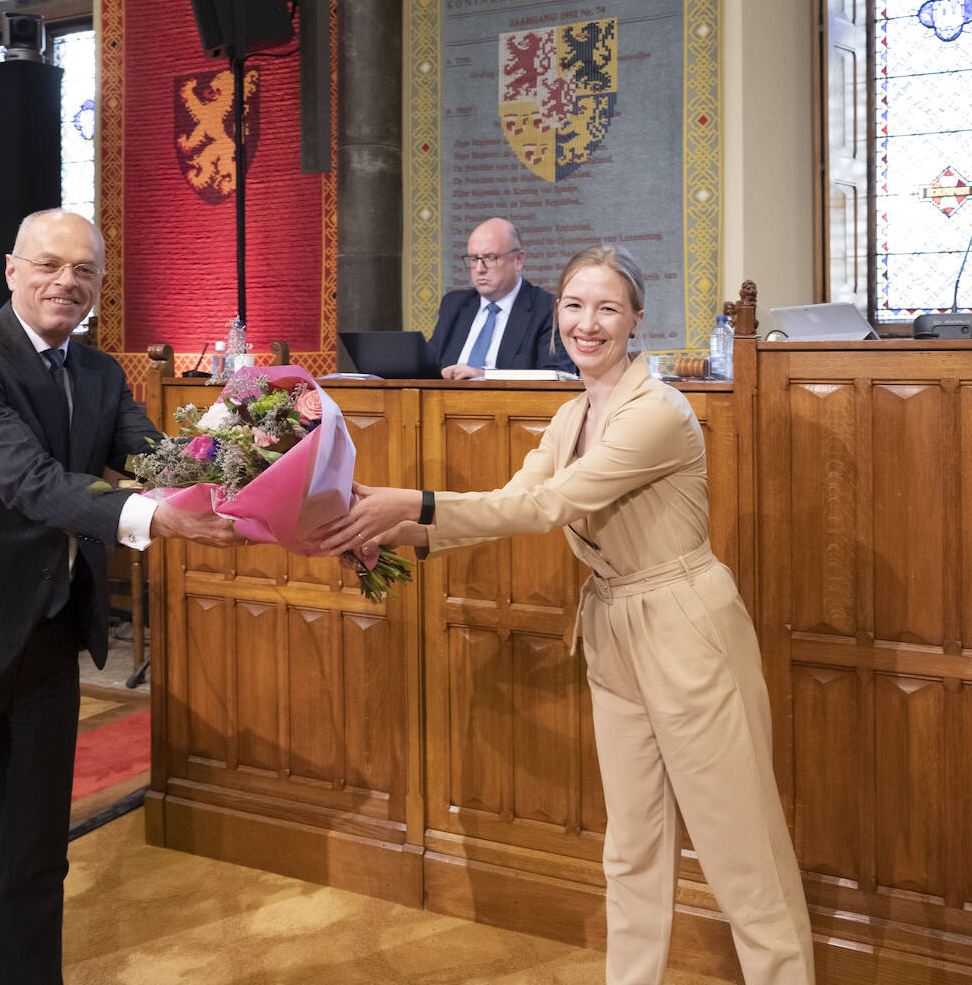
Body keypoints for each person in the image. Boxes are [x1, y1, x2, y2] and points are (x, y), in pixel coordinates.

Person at [317, 244, 815, 985]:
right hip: (612, 627)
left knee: (740, 851)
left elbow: (547, 506)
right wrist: (388, 532)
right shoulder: (574, 412)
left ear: (636, 322)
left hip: (688, 627)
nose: (589, 323)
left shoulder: (659, 413)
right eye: (575, 306)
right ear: (558, 316)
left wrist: (413, 502)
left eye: (608, 308)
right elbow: (503, 505)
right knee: (632, 848)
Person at [0, 209, 241, 985]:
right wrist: (157, 519)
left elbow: (163, 460)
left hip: (48, 643)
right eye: (50, 265)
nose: (68, 282)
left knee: (35, 869)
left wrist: (261, 459)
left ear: (99, 284)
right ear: (11, 270)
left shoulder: (97, 373)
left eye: (85, 270)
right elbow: (28, 481)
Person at [428, 216, 567, 378]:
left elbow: (556, 376)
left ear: (518, 260)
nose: (480, 268)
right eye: (474, 259)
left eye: (490, 258)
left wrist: (484, 375)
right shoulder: (454, 304)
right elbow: (429, 365)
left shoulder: (547, 309)